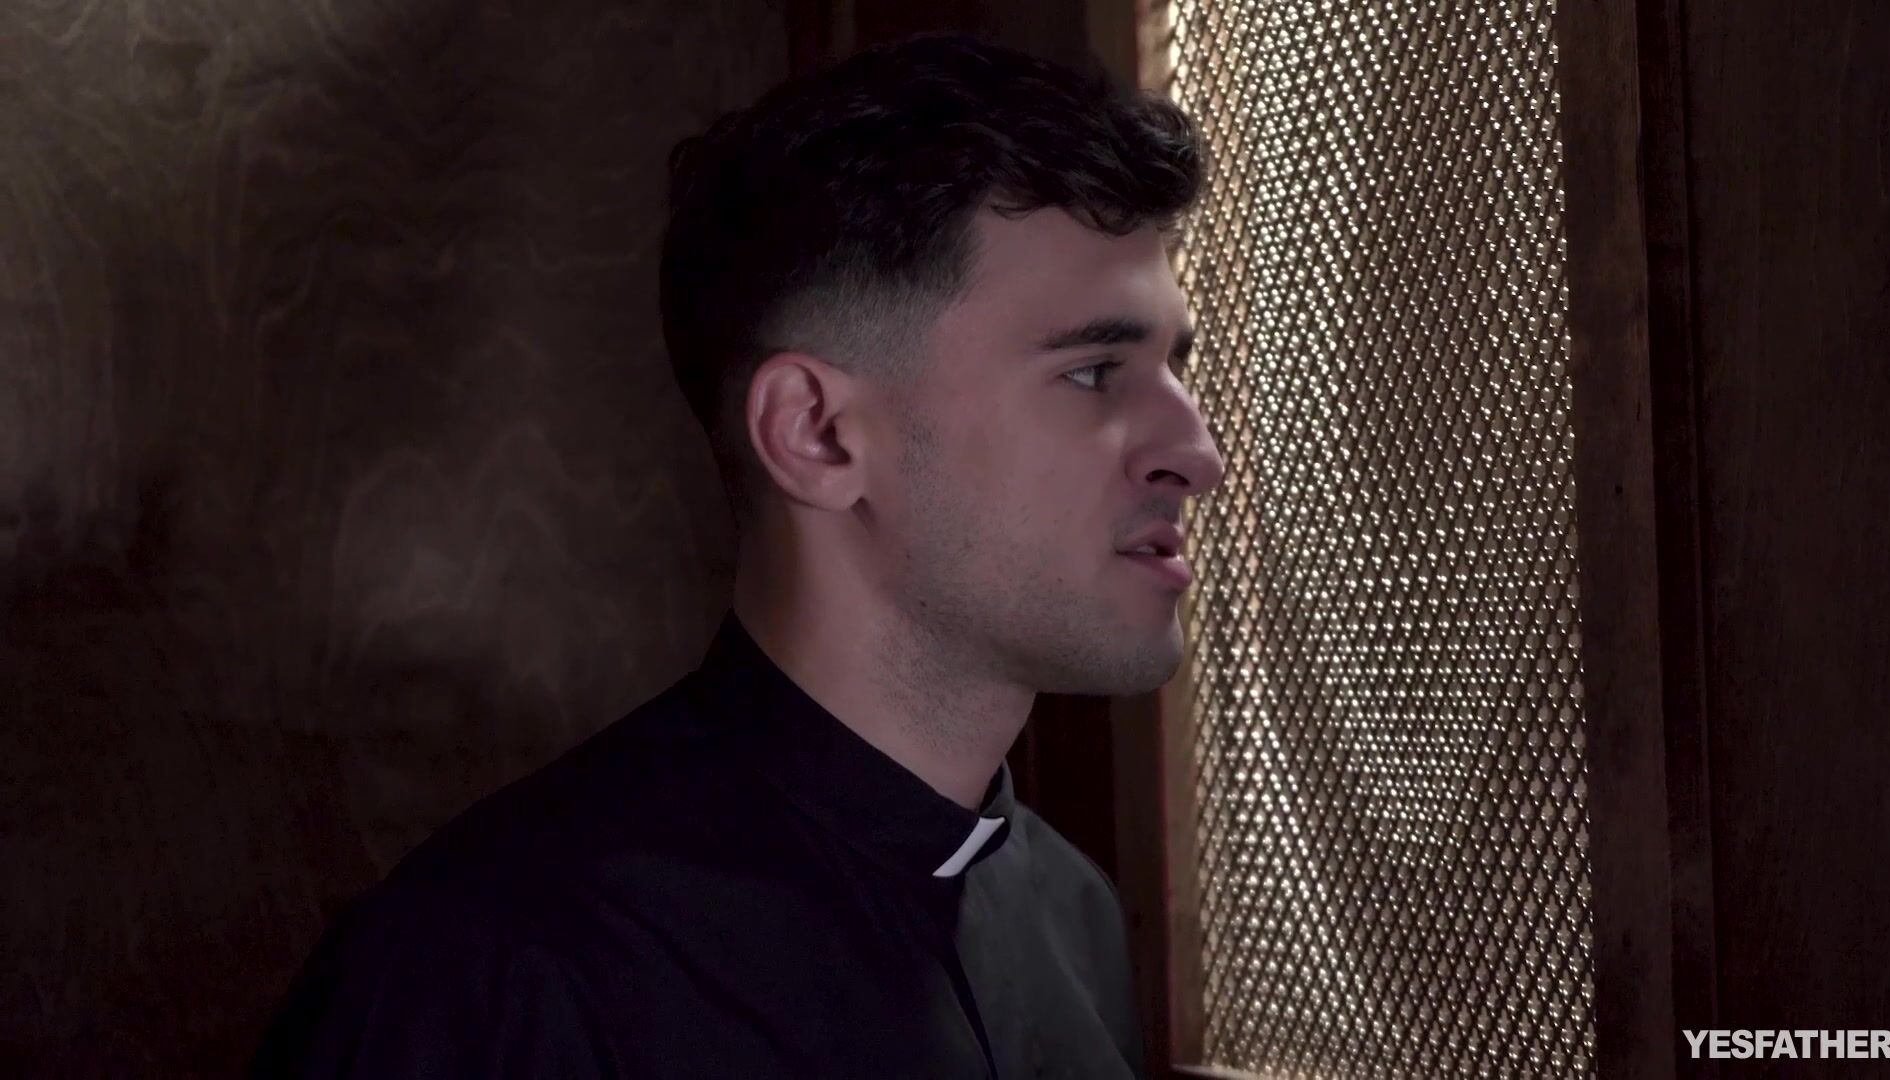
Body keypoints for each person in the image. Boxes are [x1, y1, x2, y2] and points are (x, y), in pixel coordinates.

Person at [250, 30, 1224, 1079]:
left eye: (1173, 365)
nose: (1198, 455)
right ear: (816, 433)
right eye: (1092, 372)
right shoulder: (489, 977)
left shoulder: (1074, 920)